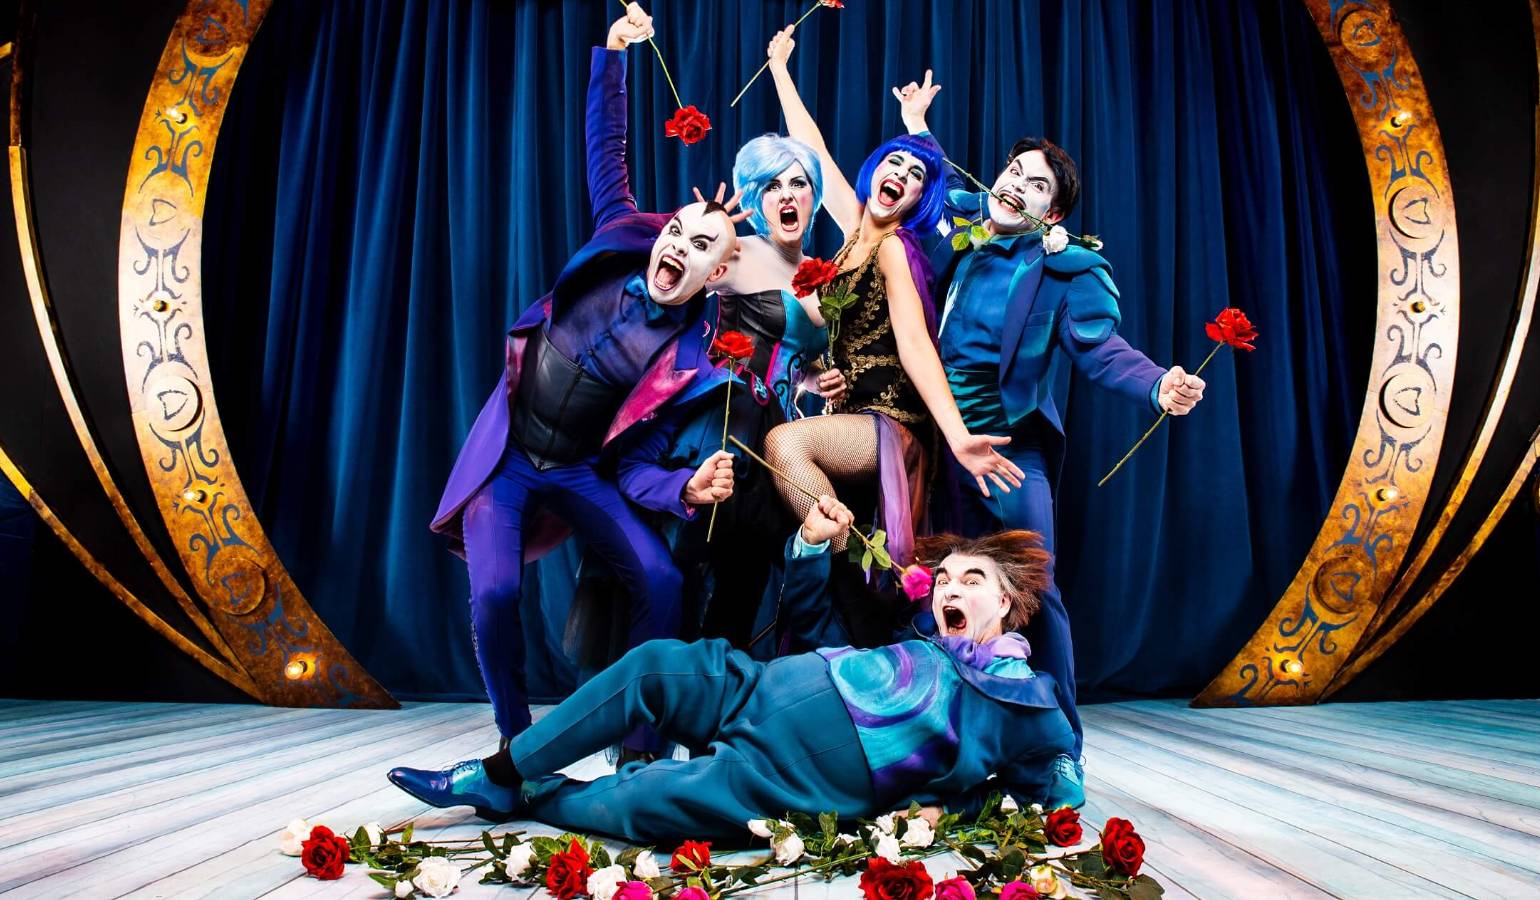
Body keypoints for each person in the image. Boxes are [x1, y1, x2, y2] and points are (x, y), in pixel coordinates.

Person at [428, 4, 742, 749]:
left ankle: (638, 748)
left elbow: (634, 467)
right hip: (508, 461)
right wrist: (614, 52)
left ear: (715, 274)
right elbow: (608, 148)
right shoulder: (617, 238)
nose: (679, 245)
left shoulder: (692, 362)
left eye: (701, 245)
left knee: (662, 582)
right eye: (677, 230)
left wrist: (686, 487)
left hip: (578, 473)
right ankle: (516, 746)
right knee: (496, 591)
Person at [387, 524, 1084, 843]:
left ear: (1007, 603)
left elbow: (1058, 792)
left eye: (972, 581)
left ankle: (532, 796)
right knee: (654, 664)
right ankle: (499, 771)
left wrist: (948, 810)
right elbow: (810, 625)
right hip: (754, 686)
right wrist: (811, 546)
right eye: (945, 579)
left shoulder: (1026, 698)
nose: (949, 590)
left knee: (648, 799)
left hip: (792, 777)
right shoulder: (917, 648)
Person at [889, 74, 1206, 757]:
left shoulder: (1068, 270)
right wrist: (916, 124)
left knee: (1034, 583)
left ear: (1053, 214)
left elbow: (1101, 349)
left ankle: (1060, 741)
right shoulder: (970, 224)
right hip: (940, 448)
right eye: (1013, 172)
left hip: (1010, 452)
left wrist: (1159, 385)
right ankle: (943, 729)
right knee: (937, 588)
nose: (1015, 186)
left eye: (1035, 185)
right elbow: (944, 180)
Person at [756, 26, 1024, 577]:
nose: (899, 174)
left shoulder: (895, 249)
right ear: (873, 171)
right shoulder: (853, 231)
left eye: (914, 174)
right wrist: (780, 69)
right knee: (840, 561)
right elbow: (812, 148)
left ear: (920, 197)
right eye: (893, 163)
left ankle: (843, 558)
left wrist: (957, 438)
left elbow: (916, 346)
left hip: (892, 424)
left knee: (783, 444)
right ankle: (851, 574)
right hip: (851, 418)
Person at [615, 135, 829, 645]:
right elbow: (670, 285)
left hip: (777, 438)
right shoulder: (737, 252)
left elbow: (801, 360)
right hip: (721, 421)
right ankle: (662, 678)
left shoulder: (820, 275)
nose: (786, 194)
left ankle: (715, 686)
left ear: (813, 195)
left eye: (798, 182)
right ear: (756, 197)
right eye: (771, 185)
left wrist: (818, 378)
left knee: (744, 579)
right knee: (684, 563)